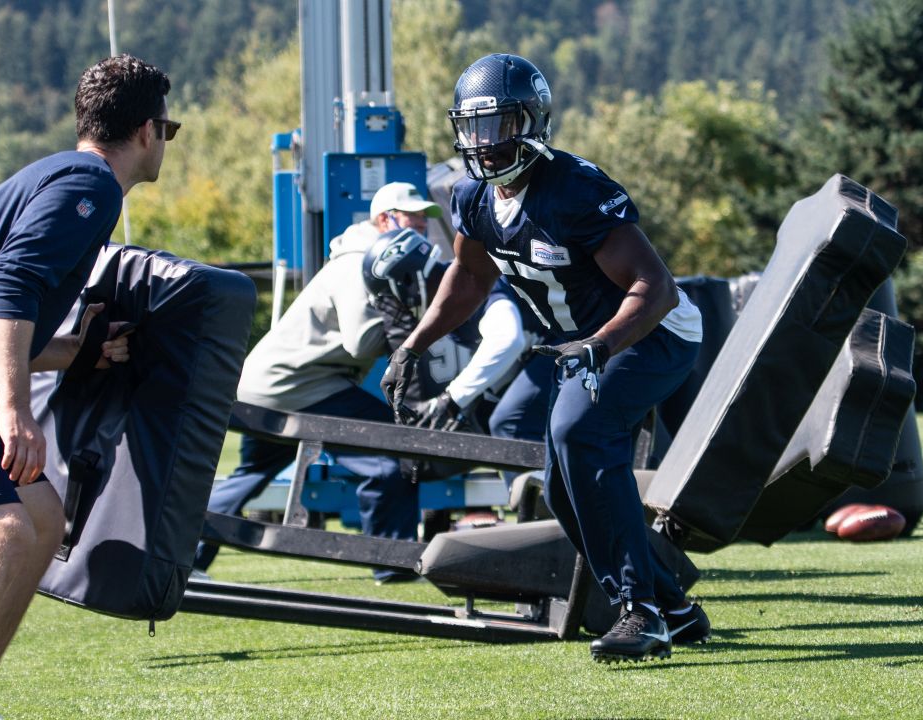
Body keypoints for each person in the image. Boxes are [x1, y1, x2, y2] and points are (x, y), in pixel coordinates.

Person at [381, 53, 711, 663]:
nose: (485, 142)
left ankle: (639, 612)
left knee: (580, 432)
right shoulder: (473, 198)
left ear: (532, 122)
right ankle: (675, 608)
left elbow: (656, 289)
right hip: (573, 347)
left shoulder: (576, 190)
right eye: (474, 127)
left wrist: (598, 346)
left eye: (499, 124)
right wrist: (411, 343)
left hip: (651, 335)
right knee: (563, 491)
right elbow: (469, 279)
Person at [0, 54, 173, 719]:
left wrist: (76, 353)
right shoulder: (90, 185)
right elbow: (11, 287)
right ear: (146, 130)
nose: (167, 141)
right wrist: (16, 413)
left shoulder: (68, 177)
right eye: (171, 128)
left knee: (41, 520)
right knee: (1, 533)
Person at [193, 182, 443, 583]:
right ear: (384, 220)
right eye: (411, 217)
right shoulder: (357, 264)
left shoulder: (365, 259)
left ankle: (184, 558)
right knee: (394, 451)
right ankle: (392, 563)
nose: (421, 227)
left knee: (248, 478)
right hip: (298, 386)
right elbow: (360, 344)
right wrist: (411, 327)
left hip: (270, 384)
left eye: (423, 220)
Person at [364, 228, 552, 535]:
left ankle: (543, 527)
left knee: (510, 423)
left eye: (389, 298)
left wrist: (451, 398)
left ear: (408, 281)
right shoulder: (451, 298)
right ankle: (541, 519)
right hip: (544, 356)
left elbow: (508, 339)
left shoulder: (472, 283)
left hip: (561, 350)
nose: (393, 309)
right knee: (494, 417)